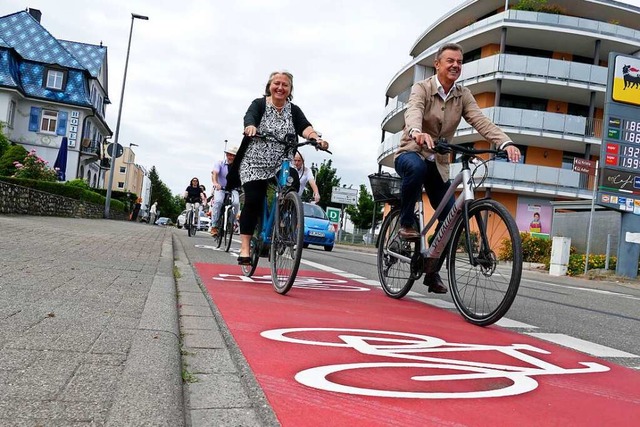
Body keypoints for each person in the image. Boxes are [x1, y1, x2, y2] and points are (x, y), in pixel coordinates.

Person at [396, 42, 521, 294]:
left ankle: (431, 272)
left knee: (450, 220)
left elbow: (481, 121)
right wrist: (417, 132)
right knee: (417, 168)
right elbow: (414, 111)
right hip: (411, 152)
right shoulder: (422, 88)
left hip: (438, 163)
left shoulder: (463, 95)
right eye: (450, 61)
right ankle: (406, 223)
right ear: (438, 64)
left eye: (459, 62)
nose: (455, 65)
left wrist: (505, 142)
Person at [228, 70, 329, 266]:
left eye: (285, 85)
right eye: (277, 84)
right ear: (270, 86)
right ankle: (245, 247)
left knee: (292, 184)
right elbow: (250, 116)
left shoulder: (293, 110)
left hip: (281, 161)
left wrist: (315, 138)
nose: (280, 88)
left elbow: (305, 127)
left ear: (290, 89)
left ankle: (283, 223)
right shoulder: (259, 104)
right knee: (254, 200)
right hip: (255, 162)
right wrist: (251, 127)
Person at [210, 146, 241, 237]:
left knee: (236, 203)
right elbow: (214, 174)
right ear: (226, 155)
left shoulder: (238, 166)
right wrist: (216, 183)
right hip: (221, 188)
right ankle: (214, 225)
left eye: (233, 155)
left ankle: (231, 223)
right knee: (218, 202)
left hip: (233, 188)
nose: (230, 157)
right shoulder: (220, 163)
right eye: (229, 155)